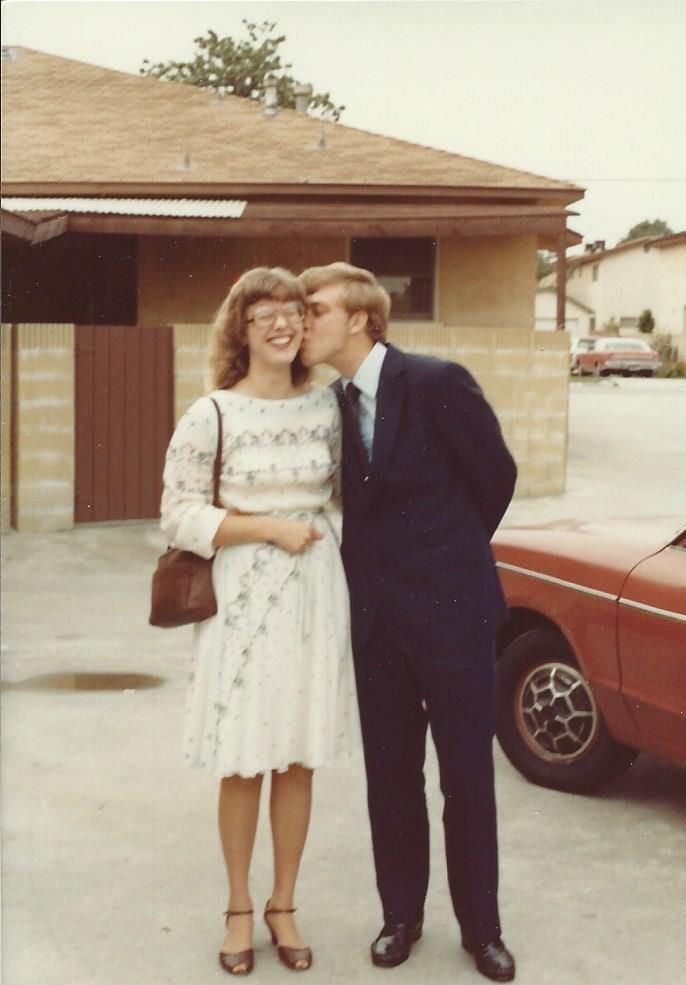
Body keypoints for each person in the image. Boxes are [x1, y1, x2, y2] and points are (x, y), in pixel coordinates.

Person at [299, 262, 518, 982]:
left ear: (360, 317)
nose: (304, 321)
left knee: (465, 778)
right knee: (391, 780)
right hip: (376, 624)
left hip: (454, 617)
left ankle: (481, 930)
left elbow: (496, 477)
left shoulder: (434, 382)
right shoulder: (329, 402)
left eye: (316, 308)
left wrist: (446, 559)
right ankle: (402, 917)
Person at [160, 267, 357, 976]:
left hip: (314, 592)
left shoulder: (328, 408)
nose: (282, 323)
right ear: (240, 329)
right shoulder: (211, 413)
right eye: (264, 313)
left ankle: (284, 902)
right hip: (242, 594)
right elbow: (178, 514)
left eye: (294, 312)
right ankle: (239, 905)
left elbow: (347, 491)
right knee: (244, 756)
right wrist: (269, 526)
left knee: (298, 754)